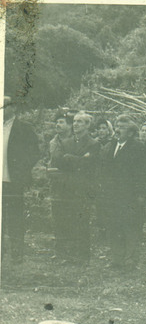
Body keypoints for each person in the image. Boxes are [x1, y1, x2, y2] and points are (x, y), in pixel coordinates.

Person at [98, 114, 146, 271]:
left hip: (131, 196)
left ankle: (130, 260)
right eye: (116, 126)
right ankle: (117, 259)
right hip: (112, 196)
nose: (117, 130)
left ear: (131, 132)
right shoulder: (111, 145)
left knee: (131, 227)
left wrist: (142, 194)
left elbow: (145, 173)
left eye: (122, 127)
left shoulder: (138, 148)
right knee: (114, 226)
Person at [48, 111, 100, 264]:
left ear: (87, 125)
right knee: (67, 221)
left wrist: (71, 159)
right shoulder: (67, 142)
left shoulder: (93, 143)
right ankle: (68, 255)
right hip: (67, 187)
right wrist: (79, 159)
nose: (76, 124)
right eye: (75, 121)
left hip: (82, 189)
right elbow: (58, 162)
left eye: (80, 122)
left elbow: (89, 165)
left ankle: (83, 257)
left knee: (82, 222)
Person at [1, 96, 40, 266]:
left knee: (15, 218)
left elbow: (34, 153)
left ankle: (17, 254)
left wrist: (21, 171)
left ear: (13, 108)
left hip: (14, 181)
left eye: (4, 106)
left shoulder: (24, 129)